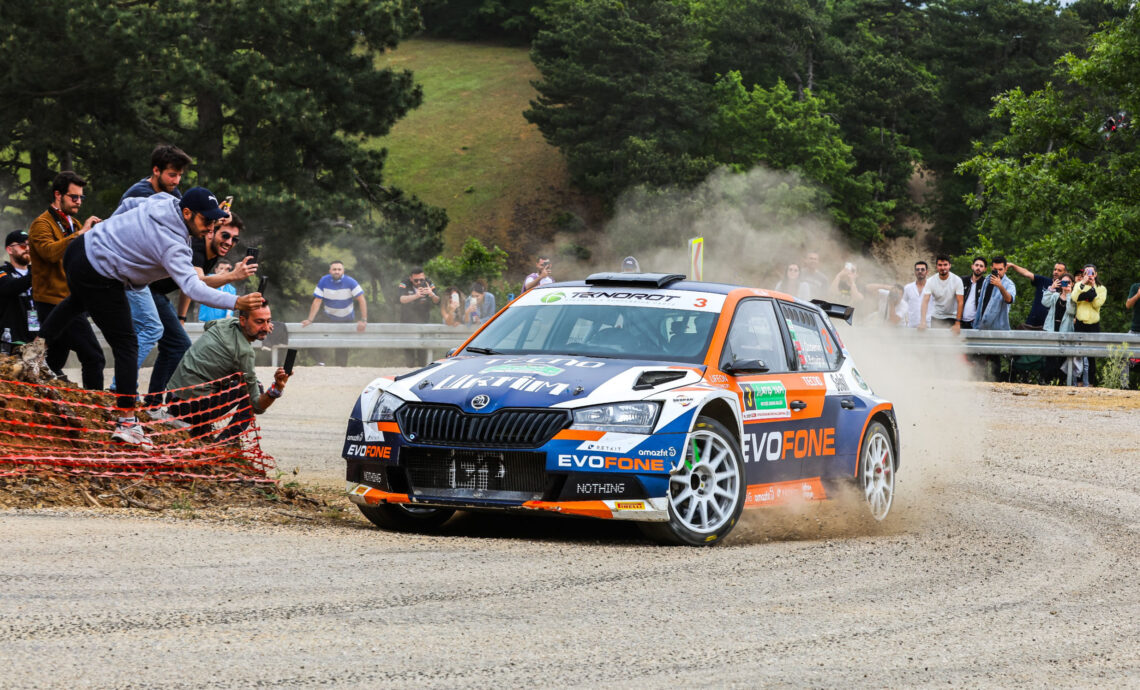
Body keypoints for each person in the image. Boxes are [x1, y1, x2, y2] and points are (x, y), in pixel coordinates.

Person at [37, 187, 263, 446]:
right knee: (127, 343)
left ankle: (34, 351)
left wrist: (111, 229)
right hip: (101, 271)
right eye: (206, 221)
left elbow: (129, 202)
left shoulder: (166, 201)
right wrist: (237, 301)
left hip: (80, 250)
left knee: (76, 302)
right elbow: (193, 288)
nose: (211, 228)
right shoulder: (175, 245)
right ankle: (127, 422)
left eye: (214, 221)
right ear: (187, 213)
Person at [115, 145, 195, 406]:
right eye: (172, 174)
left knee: (175, 343)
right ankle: (119, 388)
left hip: (147, 281)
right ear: (156, 171)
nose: (177, 181)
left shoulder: (172, 193)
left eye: (180, 175)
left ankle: (151, 401)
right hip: (126, 272)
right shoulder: (139, 195)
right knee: (151, 328)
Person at [167, 303, 290, 443]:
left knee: (226, 380)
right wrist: (276, 389)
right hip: (190, 409)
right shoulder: (244, 352)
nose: (266, 328)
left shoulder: (225, 324)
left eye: (268, 321)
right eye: (259, 322)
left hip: (171, 399)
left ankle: (201, 430)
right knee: (256, 386)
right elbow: (257, 406)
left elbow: (208, 325)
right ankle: (225, 442)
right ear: (242, 320)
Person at [26, 171, 105, 388]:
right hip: (53, 302)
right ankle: (94, 403)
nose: (79, 201)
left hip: (70, 301)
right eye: (74, 197)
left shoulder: (75, 223)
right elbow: (50, 253)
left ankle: (32, 391)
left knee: (53, 362)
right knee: (94, 356)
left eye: (81, 197)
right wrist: (81, 234)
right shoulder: (41, 224)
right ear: (58, 195)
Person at [176, 211, 256, 320]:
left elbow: (187, 286)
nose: (229, 242)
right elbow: (196, 284)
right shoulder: (196, 246)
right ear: (211, 232)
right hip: (152, 289)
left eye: (234, 239)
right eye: (225, 235)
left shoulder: (214, 252)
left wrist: (181, 317)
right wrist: (233, 275)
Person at [301, 260, 367, 366]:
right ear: (330, 271)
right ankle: (320, 361)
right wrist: (310, 319)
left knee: (342, 347)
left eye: (339, 269)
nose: (337, 271)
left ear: (343, 271)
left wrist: (363, 319)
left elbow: (361, 299)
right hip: (329, 316)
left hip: (346, 318)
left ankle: (340, 368)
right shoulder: (324, 281)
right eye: (334, 269)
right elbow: (317, 301)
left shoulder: (351, 282)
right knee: (310, 332)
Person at [1072, 264, 1107, 386]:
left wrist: (1092, 288)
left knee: (1092, 356)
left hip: (1093, 324)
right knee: (1079, 354)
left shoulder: (1101, 288)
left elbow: (1097, 304)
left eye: (1092, 273)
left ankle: (1091, 384)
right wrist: (1083, 284)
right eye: (1087, 273)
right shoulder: (1078, 285)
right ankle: (1079, 382)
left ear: (1096, 274)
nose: (1090, 275)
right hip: (1080, 323)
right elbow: (1074, 298)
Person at [0, 231, 36, 349]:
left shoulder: (37, 273)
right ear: (10, 249)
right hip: (10, 341)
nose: (27, 248)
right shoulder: (3, 272)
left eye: (30, 245)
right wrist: (38, 271)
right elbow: (10, 287)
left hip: (35, 339)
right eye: (22, 245)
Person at [397, 267, 439, 366]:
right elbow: (401, 299)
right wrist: (416, 295)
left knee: (423, 356)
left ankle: (422, 367)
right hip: (407, 321)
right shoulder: (405, 283)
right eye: (416, 280)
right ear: (411, 278)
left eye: (421, 280)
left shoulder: (428, 283)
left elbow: (437, 300)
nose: (419, 282)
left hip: (424, 321)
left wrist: (431, 294)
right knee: (409, 356)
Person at [1006, 261, 1066, 330]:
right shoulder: (1043, 281)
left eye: (1059, 270)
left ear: (1065, 273)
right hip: (1032, 321)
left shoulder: (1065, 288)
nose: (1056, 272)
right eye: (1055, 269)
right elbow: (1026, 273)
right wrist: (1013, 265)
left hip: (1049, 325)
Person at [1042, 272, 1076, 384]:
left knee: (1063, 359)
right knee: (1050, 358)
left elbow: (1071, 311)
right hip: (1052, 328)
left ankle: (1061, 382)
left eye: (1068, 282)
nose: (1066, 284)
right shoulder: (1055, 296)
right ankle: (1048, 381)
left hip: (1066, 330)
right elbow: (1045, 302)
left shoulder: (1074, 297)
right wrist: (1051, 288)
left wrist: (1069, 294)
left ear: (1072, 283)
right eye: (1064, 282)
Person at [920, 255, 964, 332]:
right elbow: (925, 301)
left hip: (952, 316)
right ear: (936, 266)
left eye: (945, 265)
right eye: (940, 265)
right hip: (936, 316)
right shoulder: (930, 281)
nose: (943, 268)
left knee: (951, 339)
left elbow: (960, 302)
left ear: (950, 265)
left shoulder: (957, 280)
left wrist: (957, 323)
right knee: (936, 339)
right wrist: (923, 321)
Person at [959, 256, 987, 329]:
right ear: (972, 266)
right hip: (960, 321)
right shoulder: (962, 280)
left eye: (981, 266)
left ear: (985, 269)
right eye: (976, 265)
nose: (978, 268)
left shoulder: (986, 284)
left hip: (975, 323)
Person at [901, 261, 930, 329]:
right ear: (915, 272)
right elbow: (902, 305)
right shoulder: (908, 288)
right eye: (917, 269)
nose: (920, 271)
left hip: (929, 326)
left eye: (922, 269)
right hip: (911, 326)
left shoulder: (932, 287)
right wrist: (905, 321)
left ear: (927, 272)